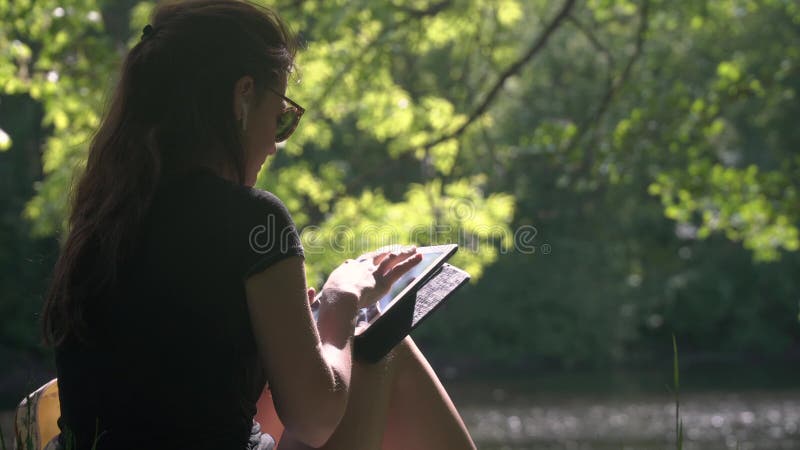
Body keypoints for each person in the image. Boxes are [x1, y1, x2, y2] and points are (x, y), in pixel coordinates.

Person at [39, 1, 476, 449]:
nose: (274, 145)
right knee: (379, 346)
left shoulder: (101, 222)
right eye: (281, 117)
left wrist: (293, 325)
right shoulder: (252, 218)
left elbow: (171, 386)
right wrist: (341, 299)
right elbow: (314, 420)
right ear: (242, 97)